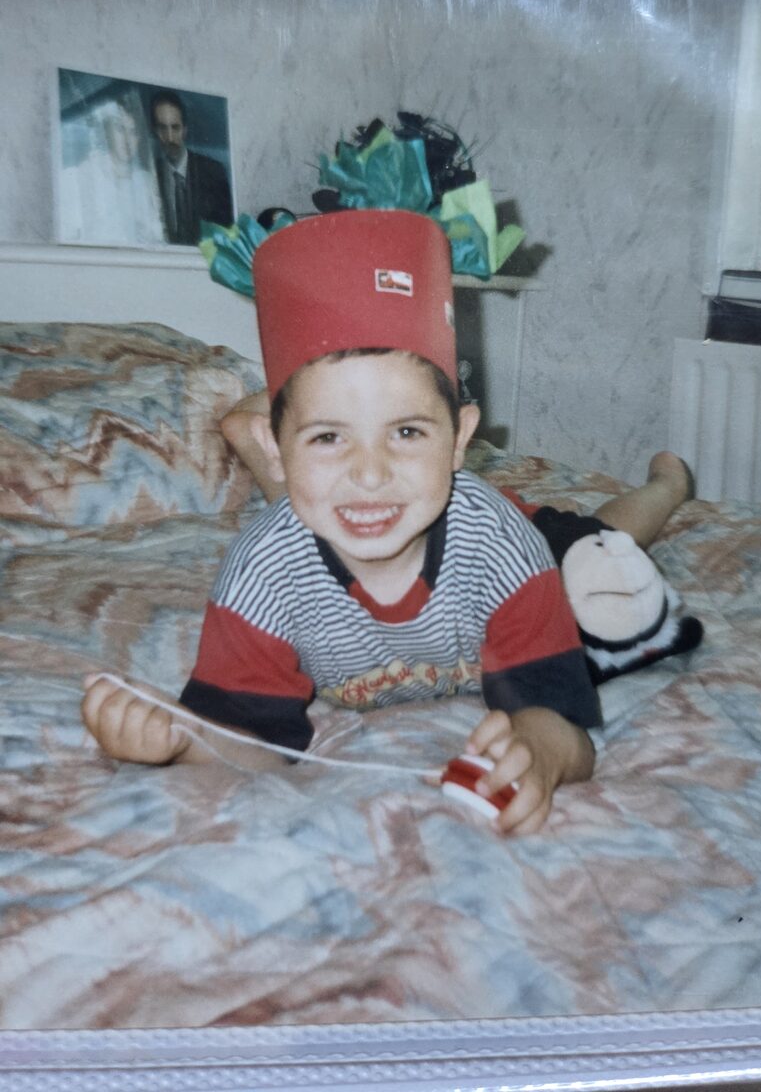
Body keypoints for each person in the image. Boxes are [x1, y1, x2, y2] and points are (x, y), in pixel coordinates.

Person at [82, 209, 692, 836]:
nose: (369, 474)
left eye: (406, 431)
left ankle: (665, 489)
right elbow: (252, 744)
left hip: (497, 529)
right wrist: (182, 740)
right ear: (275, 446)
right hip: (398, 519)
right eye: (327, 437)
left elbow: (562, 725)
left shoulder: (505, 550)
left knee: (597, 544)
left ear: (460, 439)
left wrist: (539, 749)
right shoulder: (261, 577)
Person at [150, 90, 233, 246]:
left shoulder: (213, 172)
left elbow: (226, 232)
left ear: (185, 130)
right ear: (155, 131)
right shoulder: (151, 174)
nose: (169, 138)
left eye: (175, 128)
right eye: (162, 128)